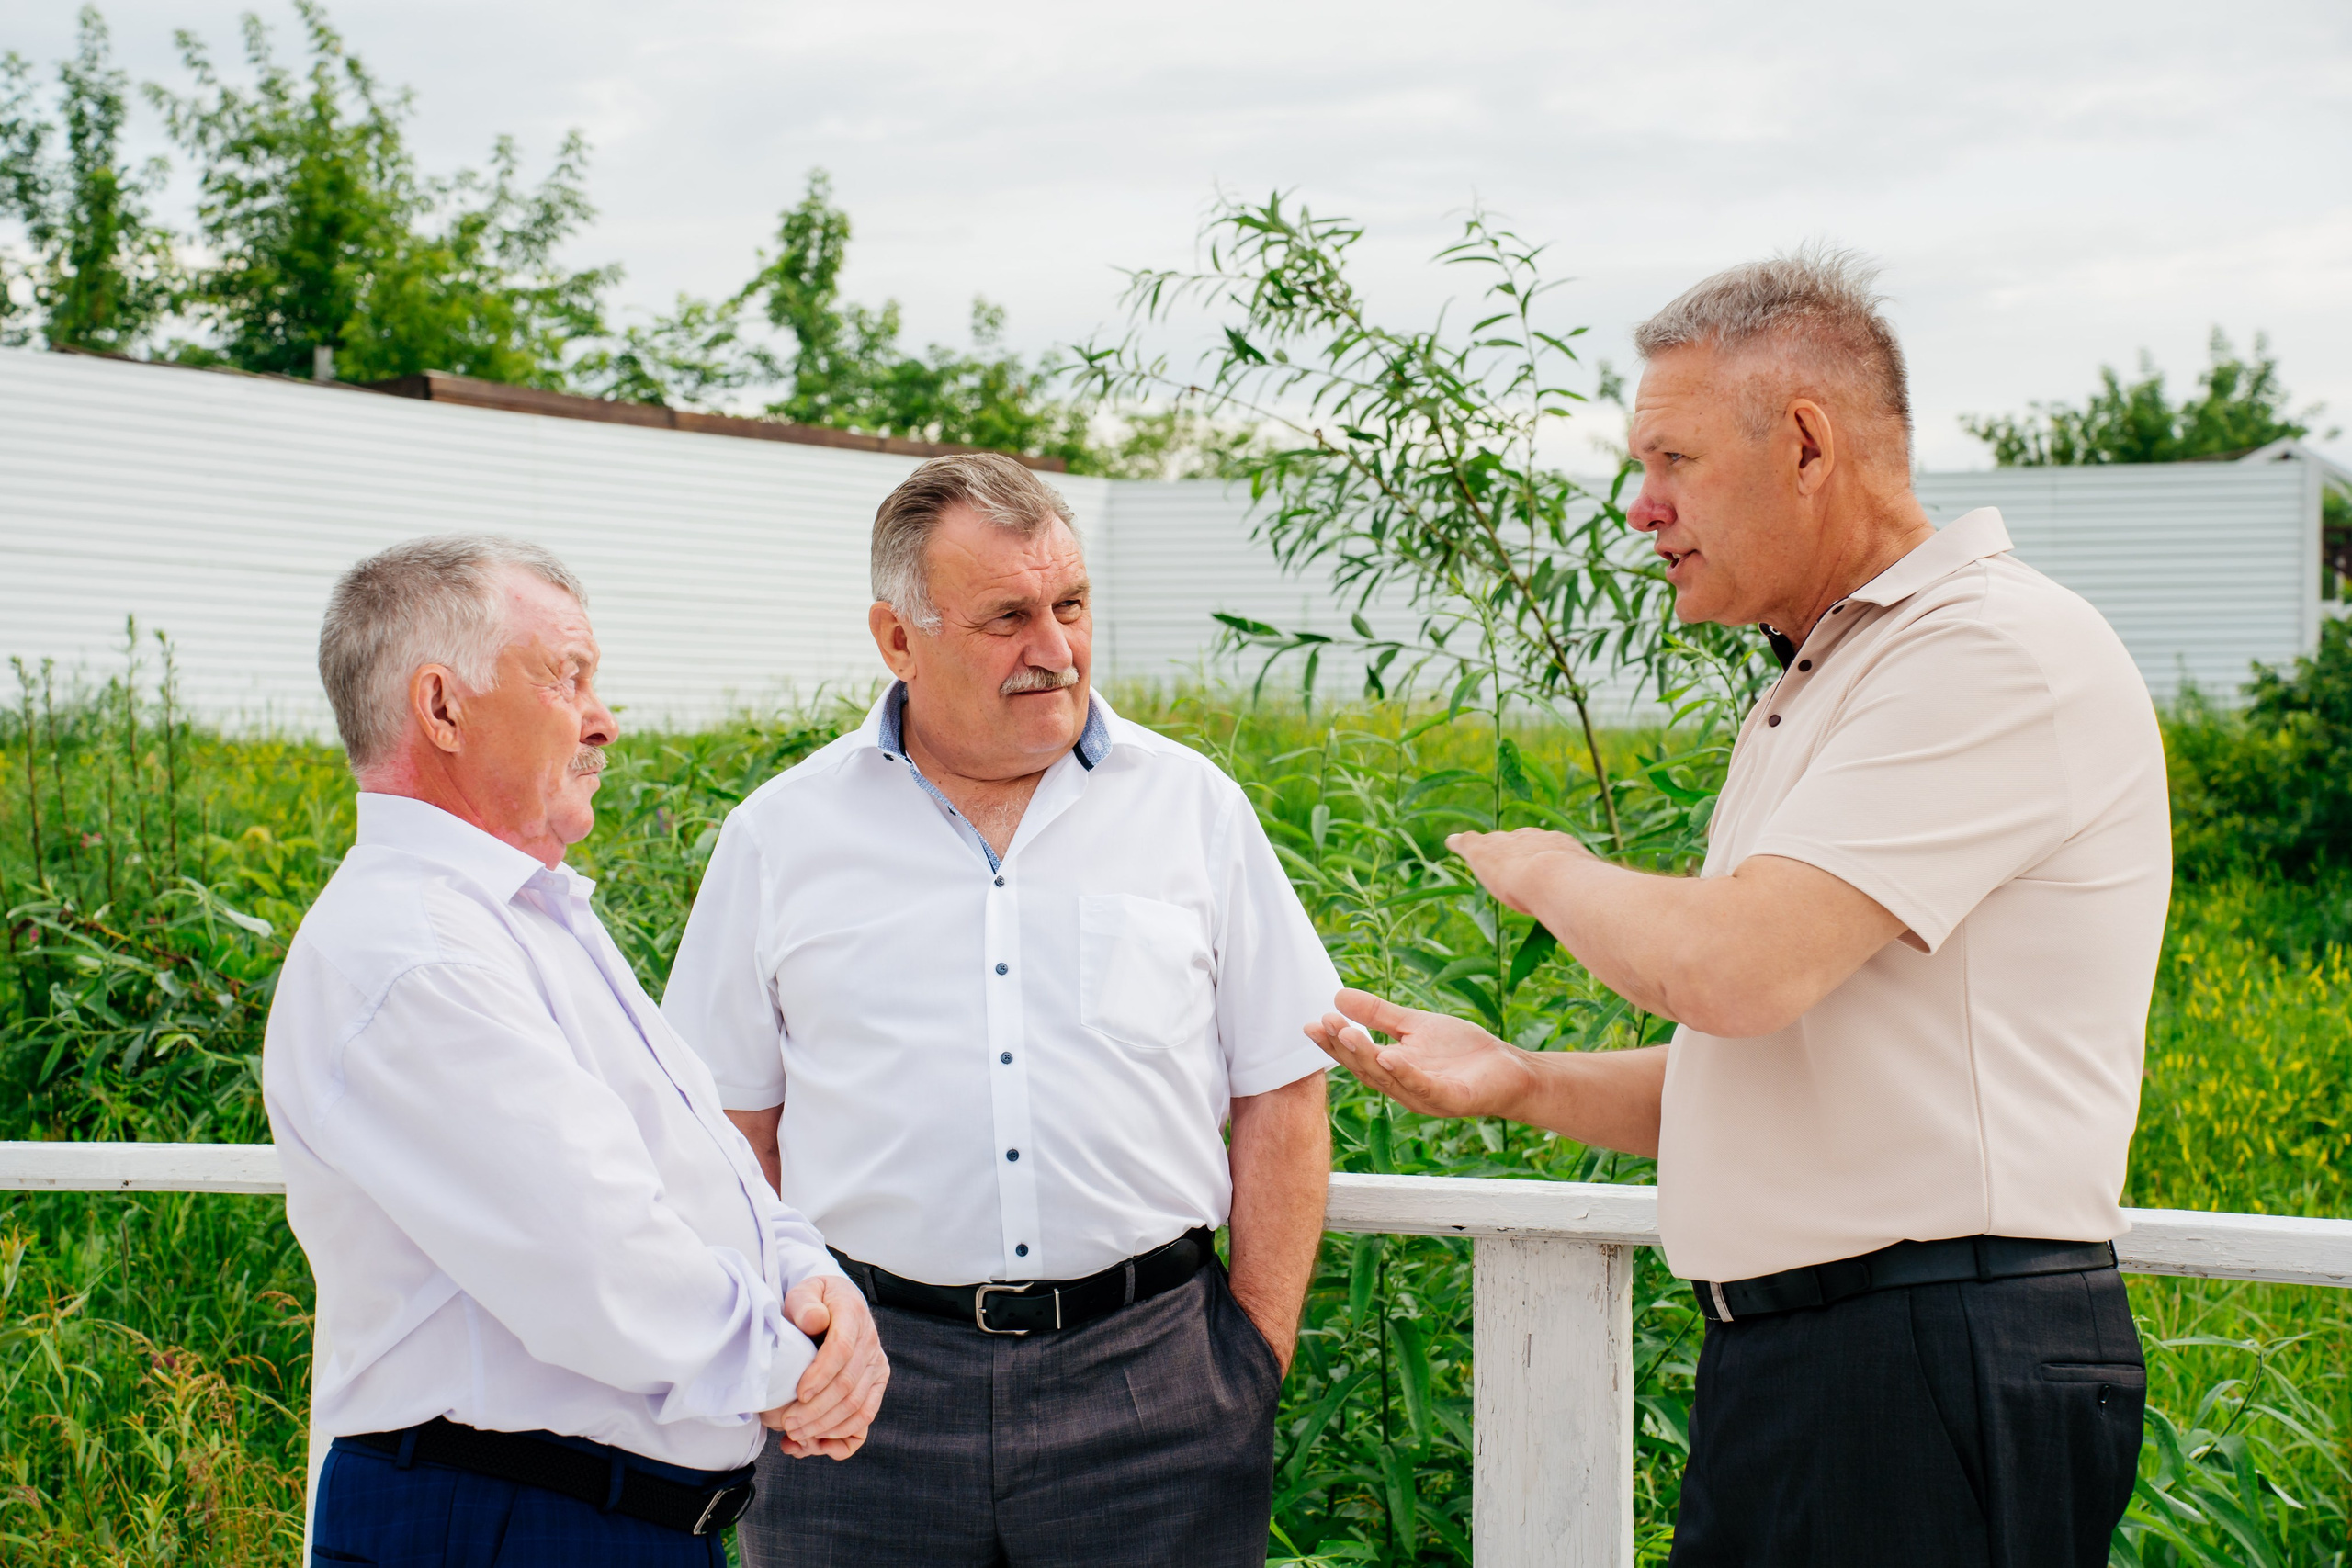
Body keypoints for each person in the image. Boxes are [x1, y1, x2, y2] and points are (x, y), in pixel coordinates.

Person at [1308, 250, 2169, 1567]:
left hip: (1925, 1356)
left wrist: (1546, 868)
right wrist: (1522, 1078)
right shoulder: (1840, 672)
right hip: (1832, 1360)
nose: (1640, 508)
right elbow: (1776, 1071)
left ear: (1807, 444)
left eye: (1674, 460)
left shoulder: (1985, 650)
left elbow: (1737, 973)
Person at [662, 453, 1338, 1567]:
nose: (1056, 649)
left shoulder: (1193, 809)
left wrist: (1250, 1357)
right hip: (862, 1398)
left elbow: (1284, 1088)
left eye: (1070, 605)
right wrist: (776, 1349)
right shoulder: (781, 836)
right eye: (1008, 618)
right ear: (897, 638)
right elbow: (724, 1129)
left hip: (1155, 1389)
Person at [264, 536, 888, 1565]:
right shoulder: (415, 952)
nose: (603, 720)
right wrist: (805, 1369)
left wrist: (813, 1284)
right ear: (442, 708)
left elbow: (706, 1167)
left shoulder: (523, 916)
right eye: (568, 677)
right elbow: (598, 1261)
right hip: (502, 1518)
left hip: (585, 1515)